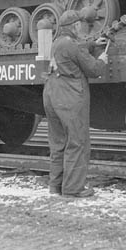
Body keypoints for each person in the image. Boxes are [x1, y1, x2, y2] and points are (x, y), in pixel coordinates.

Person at [42, 10, 108, 198]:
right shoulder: (73, 45)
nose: (83, 27)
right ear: (75, 26)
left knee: (59, 143)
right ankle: (73, 188)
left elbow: (73, 51)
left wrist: (91, 44)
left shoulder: (58, 43)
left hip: (51, 93)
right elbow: (94, 69)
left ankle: (56, 186)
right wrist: (102, 60)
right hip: (69, 96)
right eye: (81, 25)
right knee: (77, 142)